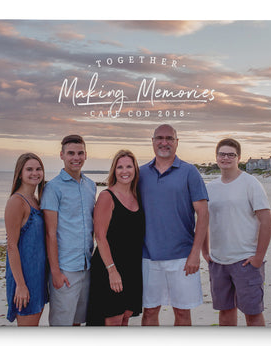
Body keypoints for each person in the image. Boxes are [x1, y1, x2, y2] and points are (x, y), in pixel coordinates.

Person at [139, 124, 209, 326]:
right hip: (148, 257)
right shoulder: (141, 173)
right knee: (150, 312)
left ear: (177, 142)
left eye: (169, 138)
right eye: (159, 138)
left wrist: (195, 253)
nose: (164, 142)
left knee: (182, 313)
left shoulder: (189, 172)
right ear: (152, 142)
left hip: (183, 258)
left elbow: (203, 214)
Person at [203, 138, 271, 326]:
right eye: (222, 154)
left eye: (230, 154)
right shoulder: (210, 188)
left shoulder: (251, 183)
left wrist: (258, 257)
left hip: (245, 262)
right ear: (216, 157)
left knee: (253, 314)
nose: (226, 158)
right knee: (225, 314)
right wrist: (205, 251)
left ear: (238, 157)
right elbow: (204, 221)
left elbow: (267, 221)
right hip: (218, 262)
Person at [41, 135, 96, 326]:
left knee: (77, 322)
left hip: (87, 266)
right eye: (71, 153)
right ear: (62, 155)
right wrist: (55, 271)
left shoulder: (90, 186)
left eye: (80, 153)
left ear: (86, 155)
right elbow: (50, 233)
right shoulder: (53, 188)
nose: (76, 157)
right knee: (61, 324)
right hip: (65, 269)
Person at [86, 150, 145, 326]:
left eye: (128, 166)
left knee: (125, 316)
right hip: (109, 268)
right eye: (120, 167)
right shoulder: (106, 196)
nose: (124, 171)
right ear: (114, 170)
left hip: (132, 268)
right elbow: (100, 237)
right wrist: (112, 271)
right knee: (113, 320)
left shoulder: (137, 196)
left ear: (135, 169)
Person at [5, 153, 48, 326]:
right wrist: (21, 285)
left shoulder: (36, 200)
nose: (35, 173)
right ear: (20, 173)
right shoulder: (17, 201)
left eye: (38, 169)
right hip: (24, 276)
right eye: (29, 169)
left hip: (39, 273)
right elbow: (11, 246)